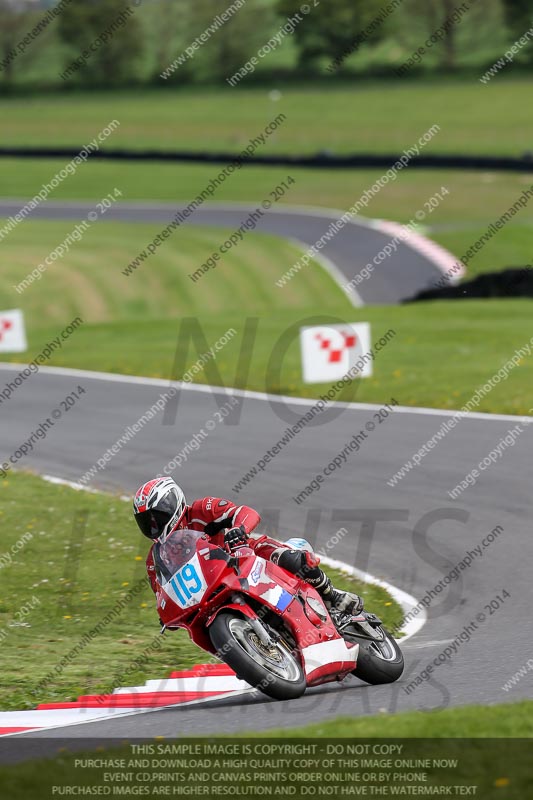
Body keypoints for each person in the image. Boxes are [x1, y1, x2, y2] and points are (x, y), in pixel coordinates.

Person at [133, 477, 363, 616]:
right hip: (213, 592)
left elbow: (246, 512)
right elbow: (162, 596)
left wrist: (239, 529)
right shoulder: (156, 559)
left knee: (291, 560)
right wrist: (166, 614)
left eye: (157, 516)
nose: (154, 525)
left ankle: (332, 595)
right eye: (147, 522)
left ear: (173, 503)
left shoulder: (203, 510)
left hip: (248, 556)